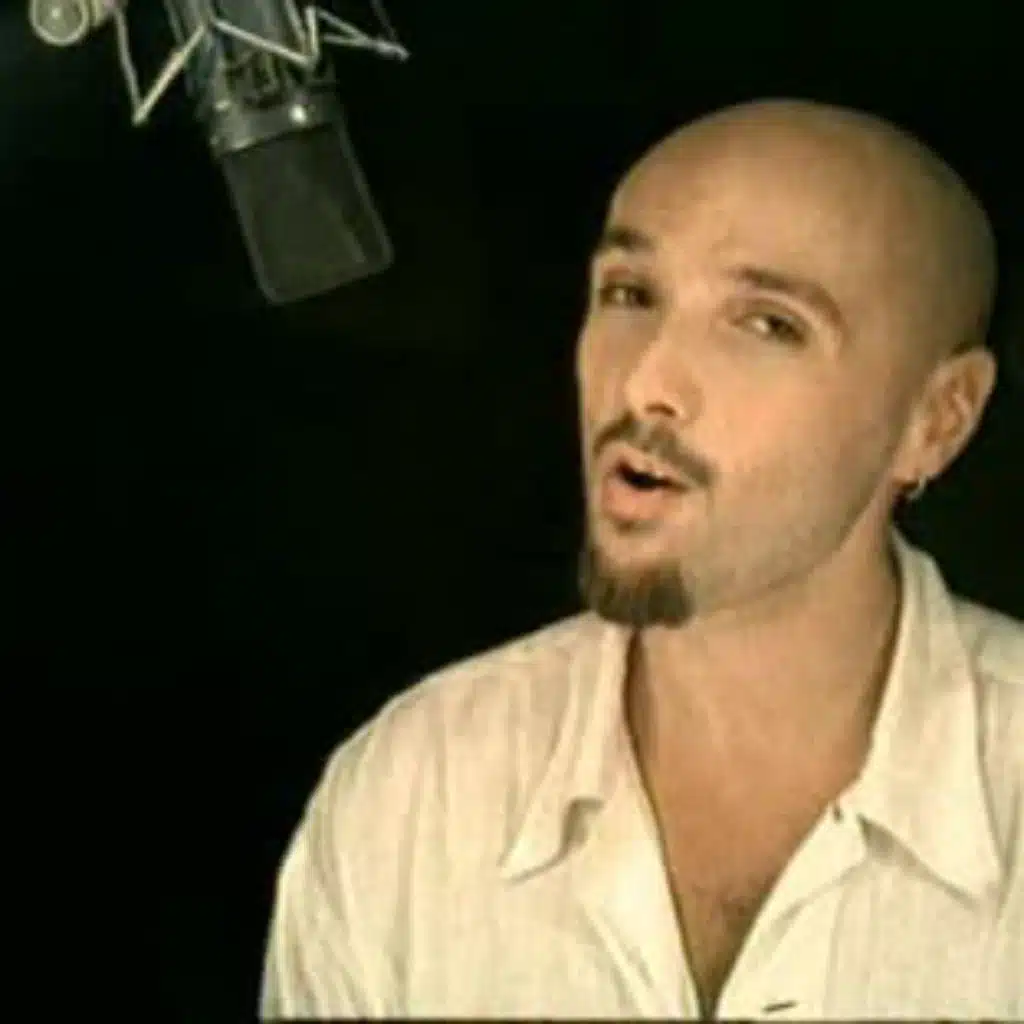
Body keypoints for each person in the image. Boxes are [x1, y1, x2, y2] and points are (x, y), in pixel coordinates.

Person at [258, 97, 1023, 1019]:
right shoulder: (415, 789)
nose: (646, 381)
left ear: (937, 421)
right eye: (630, 295)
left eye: (768, 324)